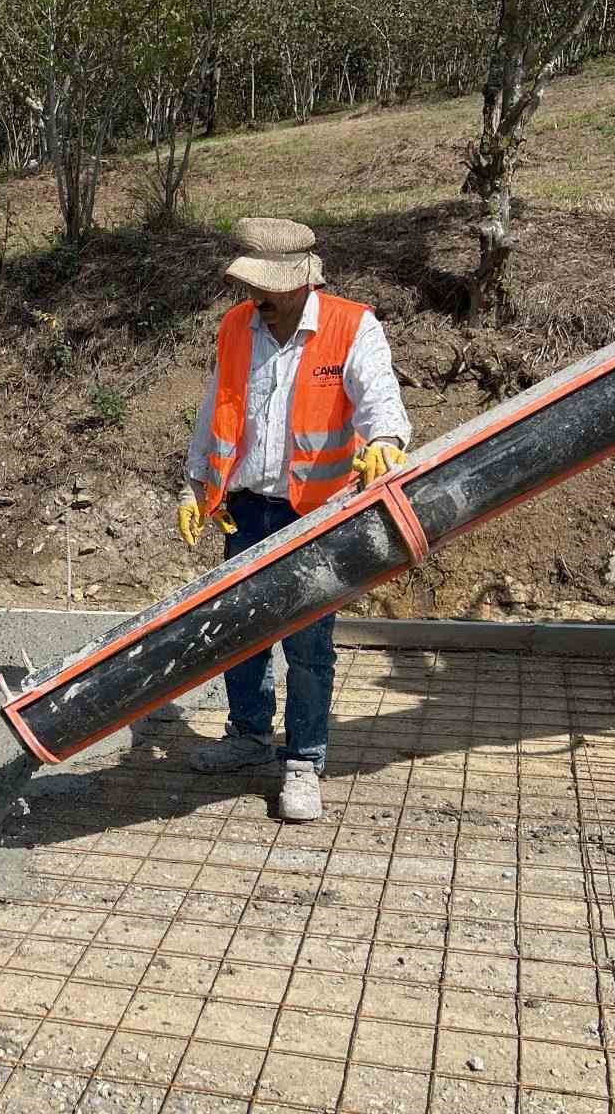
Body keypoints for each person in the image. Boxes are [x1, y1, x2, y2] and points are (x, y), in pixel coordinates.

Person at [177, 218, 411, 821]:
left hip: (316, 512)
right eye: (252, 289)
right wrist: (195, 482)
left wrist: (384, 439)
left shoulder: (351, 326)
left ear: (303, 282)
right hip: (245, 508)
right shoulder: (237, 326)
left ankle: (303, 758)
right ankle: (249, 734)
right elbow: (216, 406)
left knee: (308, 641)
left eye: (269, 291)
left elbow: (379, 396)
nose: (259, 302)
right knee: (239, 630)